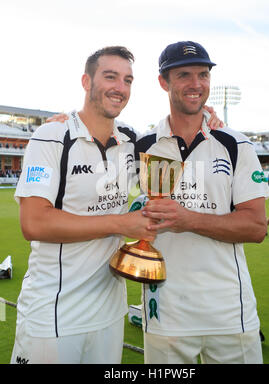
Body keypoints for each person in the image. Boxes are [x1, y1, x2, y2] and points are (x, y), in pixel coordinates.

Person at [10, 46, 158, 364]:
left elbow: (176, 144)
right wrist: (121, 224)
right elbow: (34, 223)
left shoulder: (132, 142)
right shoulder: (51, 137)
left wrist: (205, 116)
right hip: (53, 314)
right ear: (86, 81)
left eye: (128, 80)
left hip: (109, 313)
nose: (120, 87)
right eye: (110, 76)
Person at [138, 41, 269, 364]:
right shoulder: (140, 146)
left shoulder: (236, 145)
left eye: (203, 74)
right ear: (163, 82)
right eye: (184, 75)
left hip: (229, 313)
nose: (196, 84)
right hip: (164, 313)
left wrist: (188, 219)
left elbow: (255, 227)